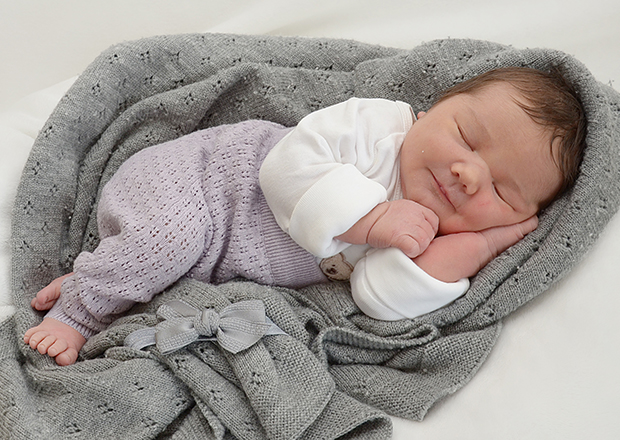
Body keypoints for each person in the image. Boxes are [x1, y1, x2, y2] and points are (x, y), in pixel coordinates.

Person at [24, 67, 586, 366]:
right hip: (202, 181)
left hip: (218, 255)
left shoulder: (438, 230)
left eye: (502, 191)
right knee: (169, 240)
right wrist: (370, 221)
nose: (469, 174)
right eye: (466, 136)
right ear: (431, 109)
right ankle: (80, 312)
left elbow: (377, 297)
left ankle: (100, 271)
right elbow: (287, 165)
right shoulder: (381, 129)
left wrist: (479, 247)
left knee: (170, 269)